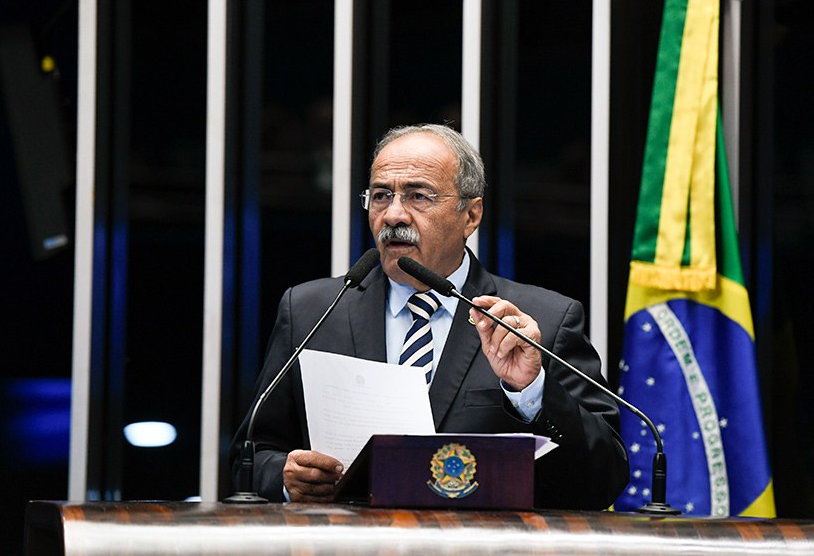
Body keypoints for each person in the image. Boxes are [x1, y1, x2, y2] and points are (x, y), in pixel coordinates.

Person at [230, 124, 629, 509]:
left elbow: (603, 479)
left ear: (470, 216)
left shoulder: (542, 319)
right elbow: (251, 454)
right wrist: (283, 477)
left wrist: (532, 390)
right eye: (382, 195)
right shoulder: (311, 311)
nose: (393, 215)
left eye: (418, 196)